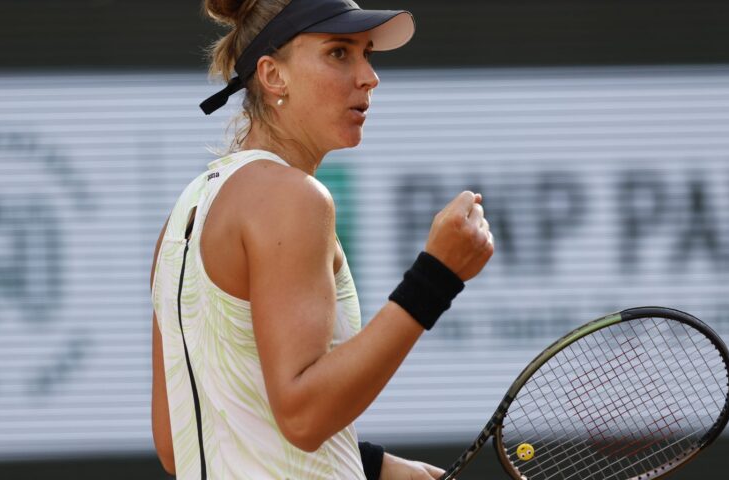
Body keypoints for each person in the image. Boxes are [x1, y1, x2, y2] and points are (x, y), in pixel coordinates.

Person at [149, 0, 494, 478]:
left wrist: (373, 467)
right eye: (339, 53)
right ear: (273, 76)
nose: (369, 76)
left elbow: (178, 442)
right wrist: (437, 274)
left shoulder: (184, 216)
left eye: (367, 53)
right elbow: (303, 415)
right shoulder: (294, 198)